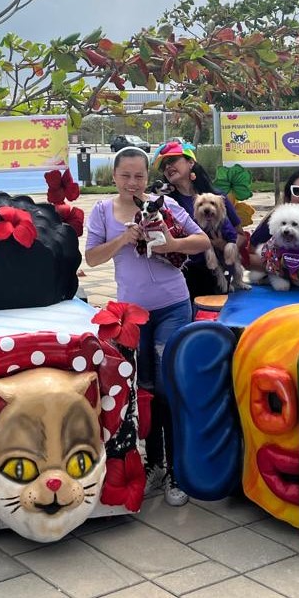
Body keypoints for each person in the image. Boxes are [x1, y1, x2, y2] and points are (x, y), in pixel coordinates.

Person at [85, 147, 210, 506]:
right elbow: (92, 258)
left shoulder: (164, 206)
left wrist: (171, 243)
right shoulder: (102, 211)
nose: (132, 182)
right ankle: (154, 461)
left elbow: (201, 240)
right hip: (132, 314)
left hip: (173, 305)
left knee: (170, 385)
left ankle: (176, 471)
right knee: (146, 389)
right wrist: (123, 239)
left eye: (139, 176)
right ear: (114, 177)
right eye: (125, 175)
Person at [155, 140, 244, 297]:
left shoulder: (218, 197)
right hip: (182, 274)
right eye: (164, 166)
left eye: (173, 160)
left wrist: (223, 245)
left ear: (190, 162)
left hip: (217, 276)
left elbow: (240, 235)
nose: (168, 167)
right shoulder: (165, 203)